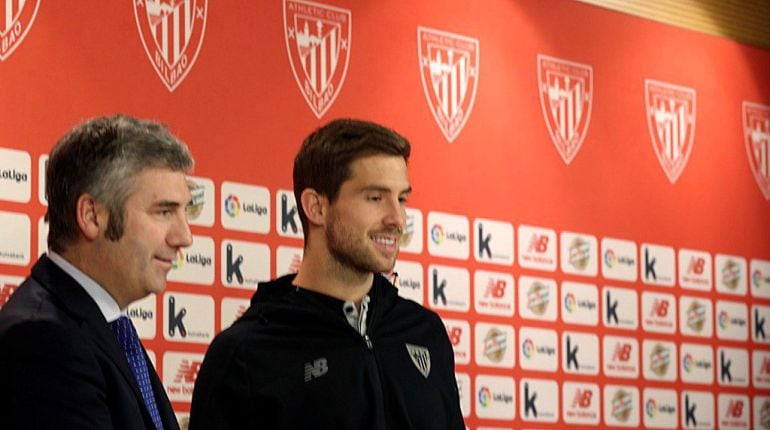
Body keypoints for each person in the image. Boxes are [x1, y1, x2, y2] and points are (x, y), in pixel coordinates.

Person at [189, 119, 464, 429]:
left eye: (401, 199)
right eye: (375, 198)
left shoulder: (425, 333)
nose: (397, 219)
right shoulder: (245, 353)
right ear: (316, 207)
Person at [0, 115, 194, 430]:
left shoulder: (104, 326)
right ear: (92, 216)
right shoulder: (43, 340)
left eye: (185, 212)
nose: (184, 236)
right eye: (164, 211)